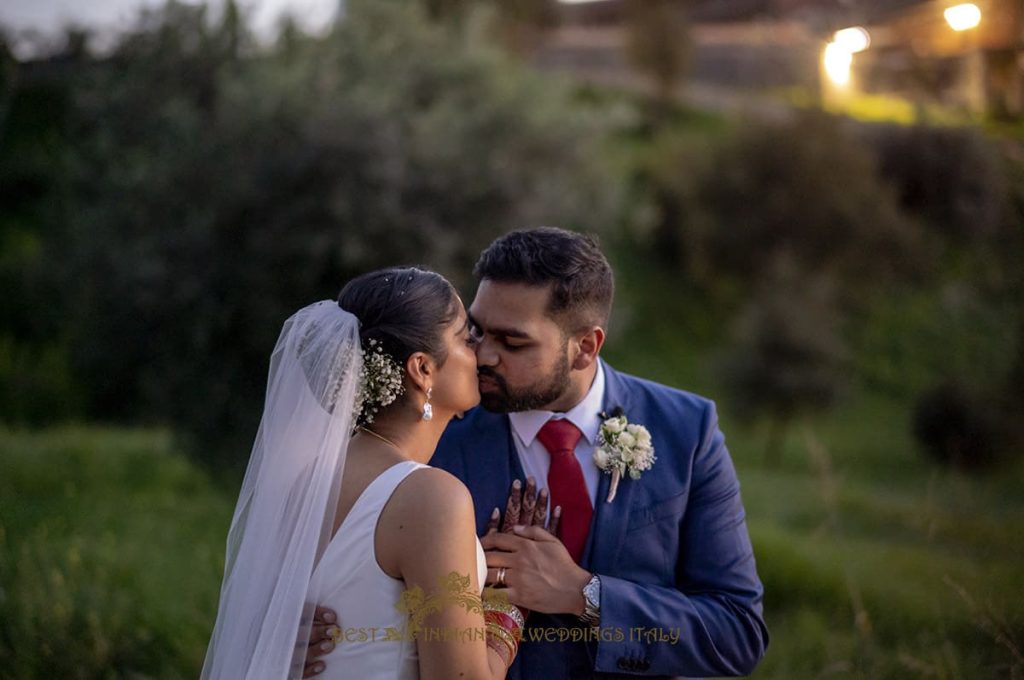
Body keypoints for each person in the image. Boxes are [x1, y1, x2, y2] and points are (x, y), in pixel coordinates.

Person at [307, 228, 768, 678]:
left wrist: (584, 594)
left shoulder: (686, 431)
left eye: (513, 342)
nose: (484, 355)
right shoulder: (433, 430)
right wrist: (304, 635)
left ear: (585, 347)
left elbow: (738, 632)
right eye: (476, 331)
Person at [202, 267, 545, 680]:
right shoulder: (431, 498)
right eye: (465, 336)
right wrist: (505, 611)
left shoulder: (304, 484)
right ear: (422, 369)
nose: (482, 351)